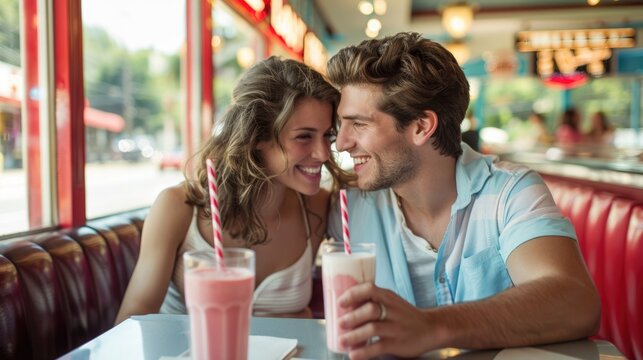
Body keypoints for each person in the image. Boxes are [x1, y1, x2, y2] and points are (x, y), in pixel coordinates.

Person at [326, 32, 600, 360]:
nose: (341, 143)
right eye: (341, 124)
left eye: (358, 124)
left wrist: (431, 327)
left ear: (420, 127)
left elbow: (573, 301)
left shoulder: (509, 193)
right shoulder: (347, 206)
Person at [115, 56, 353, 324]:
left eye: (327, 136)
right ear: (257, 137)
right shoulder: (178, 206)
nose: (323, 153)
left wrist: (305, 318)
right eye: (304, 136)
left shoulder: (316, 206)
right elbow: (131, 324)